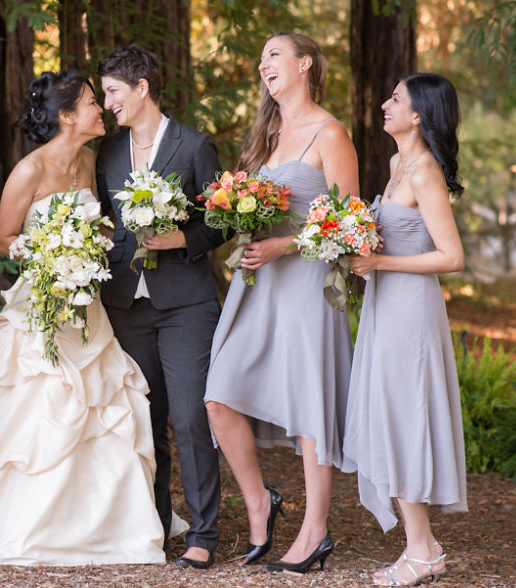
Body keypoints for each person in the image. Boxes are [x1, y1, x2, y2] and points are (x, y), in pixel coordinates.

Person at [0, 70, 165, 566]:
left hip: (86, 308)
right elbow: (1, 239)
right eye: (90, 103)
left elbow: (99, 227)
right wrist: (50, 255)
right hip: (41, 303)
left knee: (102, 408)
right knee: (40, 405)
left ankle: (104, 524)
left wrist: (86, 250)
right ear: (66, 116)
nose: (100, 109)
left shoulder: (89, 160)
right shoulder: (29, 171)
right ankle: (29, 522)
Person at [204, 32, 359, 573]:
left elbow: (350, 221)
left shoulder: (329, 132)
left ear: (304, 64)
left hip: (307, 286)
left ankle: (315, 531)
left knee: (310, 405)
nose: (263, 63)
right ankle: (260, 504)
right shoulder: (269, 134)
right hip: (259, 283)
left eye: (273, 54)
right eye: (261, 55)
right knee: (219, 396)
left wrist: (284, 244)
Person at [95, 45, 224, 569]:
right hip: (126, 303)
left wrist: (180, 239)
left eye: (113, 92)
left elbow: (222, 221)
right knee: (145, 421)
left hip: (186, 304)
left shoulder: (195, 147)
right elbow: (105, 220)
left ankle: (204, 532)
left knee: (191, 416)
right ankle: (153, 526)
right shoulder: (106, 154)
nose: (107, 104)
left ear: (142, 87)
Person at [344, 73, 466, 586]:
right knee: (386, 414)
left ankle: (422, 551)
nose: (383, 103)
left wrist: (382, 263)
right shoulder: (397, 164)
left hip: (410, 312)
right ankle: (424, 546)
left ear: (419, 115)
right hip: (383, 306)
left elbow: (452, 257)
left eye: (395, 99)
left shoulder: (424, 174)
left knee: (403, 418)